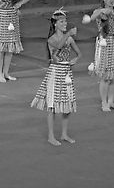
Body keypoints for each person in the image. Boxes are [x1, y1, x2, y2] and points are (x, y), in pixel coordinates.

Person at [31, 8, 81, 146]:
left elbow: (79, 53)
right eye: (62, 22)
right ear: (55, 24)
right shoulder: (51, 39)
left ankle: (64, 134)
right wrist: (69, 33)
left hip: (67, 73)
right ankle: (51, 136)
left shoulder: (69, 38)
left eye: (65, 21)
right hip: (55, 73)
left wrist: (75, 60)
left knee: (67, 105)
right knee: (52, 106)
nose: (65, 23)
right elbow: (59, 45)